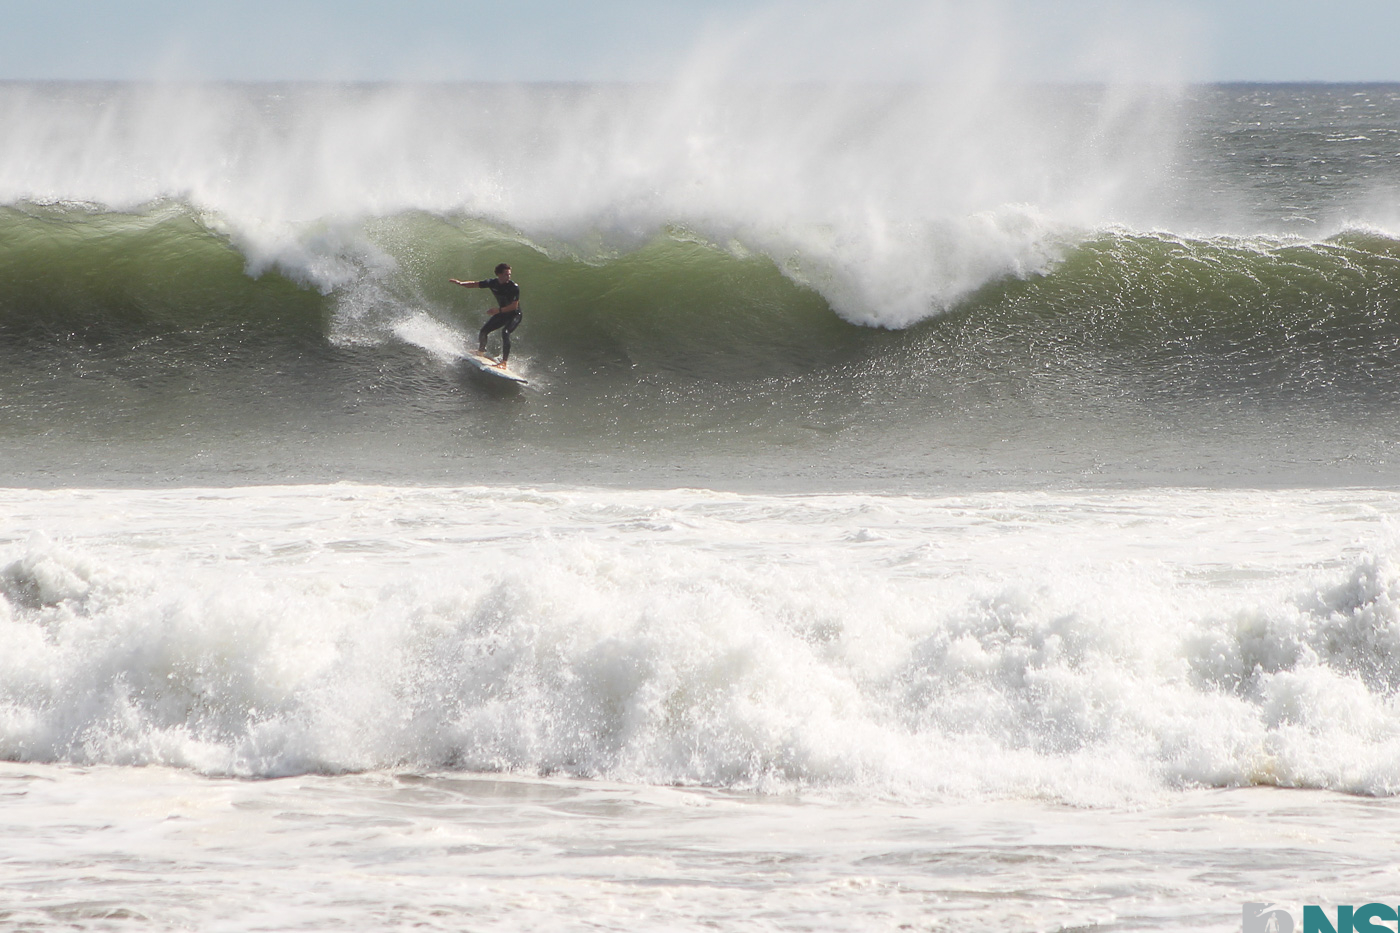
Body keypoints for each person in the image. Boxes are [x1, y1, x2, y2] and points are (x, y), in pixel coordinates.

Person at [450, 263, 522, 366]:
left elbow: (514, 306)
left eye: (509, 274)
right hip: (502, 313)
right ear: (499, 274)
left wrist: (498, 310)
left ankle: (504, 362)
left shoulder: (513, 287)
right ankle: (481, 352)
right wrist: (461, 283)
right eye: (506, 274)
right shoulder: (492, 283)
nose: (509, 277)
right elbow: (474, 284)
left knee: (505, 332)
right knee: (484, 331)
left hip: (515, 315)